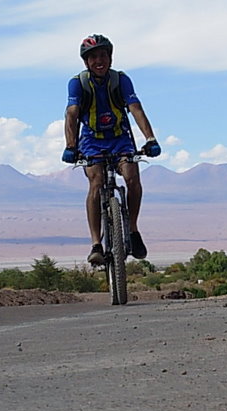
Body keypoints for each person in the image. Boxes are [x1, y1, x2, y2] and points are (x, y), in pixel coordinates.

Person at [62, 34, 161, 266]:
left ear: (110, 57)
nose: (99, 60)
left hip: (120, 139)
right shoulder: (78, 83)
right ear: (86, 62)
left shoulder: (121, 80)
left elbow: (135, 108)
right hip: (91, 141)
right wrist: (70, 146)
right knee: (96, 183)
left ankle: (133, 231)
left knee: (132, 177)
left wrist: (150, 138)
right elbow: (72, 114)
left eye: (103, 55)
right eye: (93, 57)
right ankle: (96, 244)